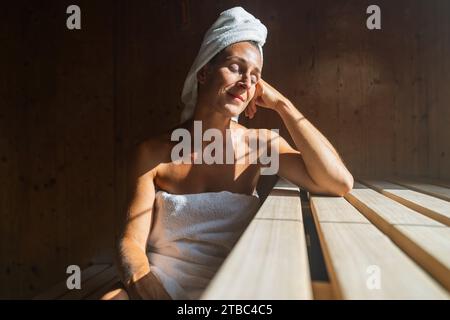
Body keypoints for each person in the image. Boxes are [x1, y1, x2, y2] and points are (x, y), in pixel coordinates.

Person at [101, 7, 353, 300]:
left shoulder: (258, 147)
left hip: (237, 288)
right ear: (204, 72)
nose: (247, 82)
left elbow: (338, 182)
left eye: (255, 76)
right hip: (164, 284)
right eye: (236, 67)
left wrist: (283, 105)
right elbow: (130, 243)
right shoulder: (154, 154)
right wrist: (153, 294)